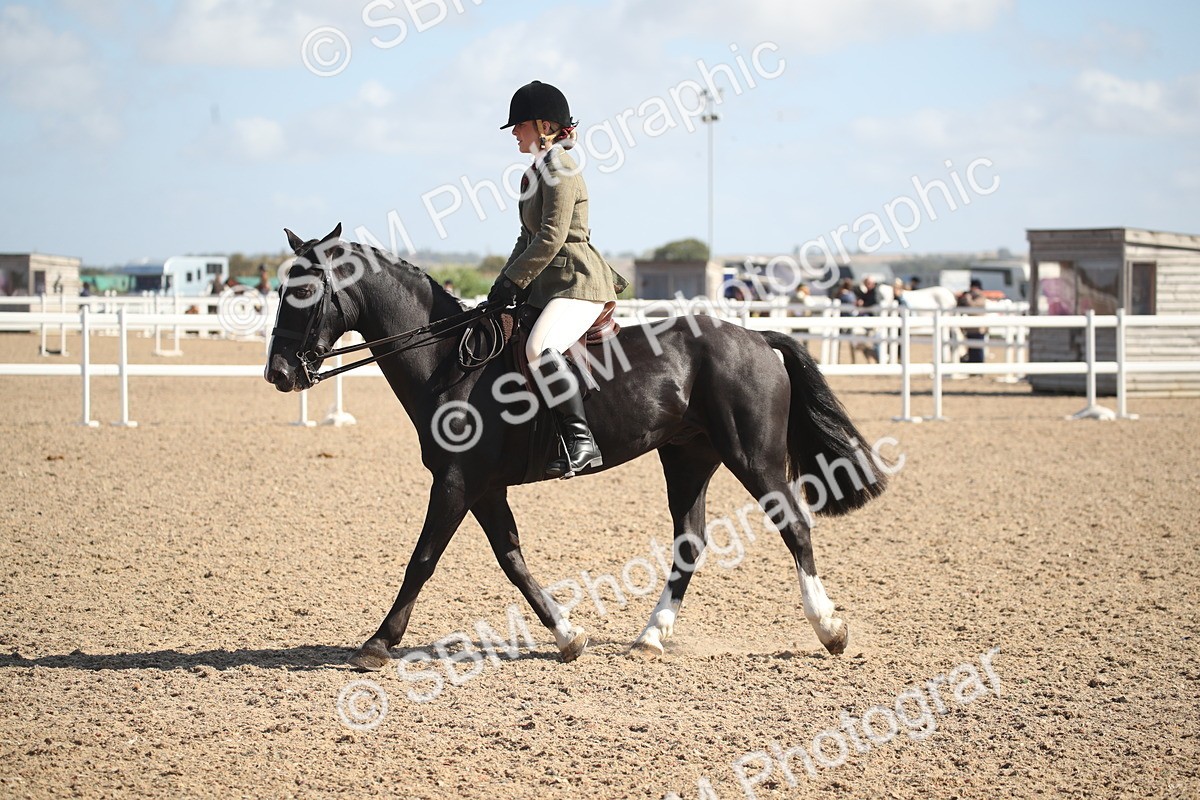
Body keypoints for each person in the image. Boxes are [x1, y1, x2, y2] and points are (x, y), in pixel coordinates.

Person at [487, 80, 629, 479]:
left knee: (539, 347)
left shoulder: (561, 168)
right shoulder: (533, 173)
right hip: (548, 286)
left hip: (576, 282)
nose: (514, 132)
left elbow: (552, 236)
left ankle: (582, 441)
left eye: (520, 125)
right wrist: (502, 283)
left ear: (544, 125)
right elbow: (526, 237)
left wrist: (516, 280)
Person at [958, 278, 988, 363]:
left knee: (978, 349)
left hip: (979, 328)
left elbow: (973, 306)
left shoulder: (981, 297)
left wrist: (968, 298)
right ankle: (971, 365)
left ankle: (978, 367)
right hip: (970, 328)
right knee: (971, 349)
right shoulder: (972, 297)